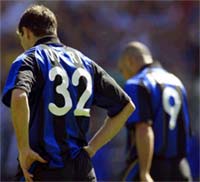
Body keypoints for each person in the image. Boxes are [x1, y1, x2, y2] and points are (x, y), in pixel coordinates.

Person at [1, 5, 135, 182]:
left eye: (21, 38)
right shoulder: (85, 62)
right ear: (54, 30)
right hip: (81, 169)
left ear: (26, 32)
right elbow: (126, 106)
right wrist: (93, 147)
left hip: (42, 166)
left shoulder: (29, 58)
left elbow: (19, 97)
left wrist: (24, 148)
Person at [118, 41, 192, 181]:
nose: (124, 75)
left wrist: (145, 172)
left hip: (151, 166)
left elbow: (143, 129)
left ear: (130, 61)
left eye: (122, 70)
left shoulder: (136, 83)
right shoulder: (176, 82)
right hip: (181, 168)